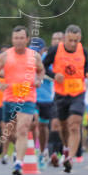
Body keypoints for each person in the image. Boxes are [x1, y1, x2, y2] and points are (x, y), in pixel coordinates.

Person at [0, 26, 45, 175]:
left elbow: (41, 70)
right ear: (12, 39)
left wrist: (38, 80)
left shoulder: (34, 56)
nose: (19, 41)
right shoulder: (5, 56)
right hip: (9, 98)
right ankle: (17, 149)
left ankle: (18, 163)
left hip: (27, 98)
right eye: (16, 38)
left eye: (21, 38)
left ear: (26, 39)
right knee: (9, 133)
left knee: (23, 129)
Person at [43, 25, 88, 173]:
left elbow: (86, 67)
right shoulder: (55, 50)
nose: (73, 44)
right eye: (70, 40)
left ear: (80, 39)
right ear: (65, 38)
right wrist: (53, 75)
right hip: (60, 94)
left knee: (74, 125)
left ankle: (70, 158)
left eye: (76, 40)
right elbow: (43, 67)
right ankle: (66, 147)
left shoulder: (83, 50)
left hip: (78, 92)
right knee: (62, 126)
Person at [30, 38, 57, 167]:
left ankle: (42, 151)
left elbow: (54, 76)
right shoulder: (28, 60)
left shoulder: (48, 60)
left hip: (47, 98)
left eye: (37, 51)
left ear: (42, 50)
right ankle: (33, 149)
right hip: (33, 97)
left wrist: (43, 76)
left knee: (43, 126)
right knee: (34, 121)